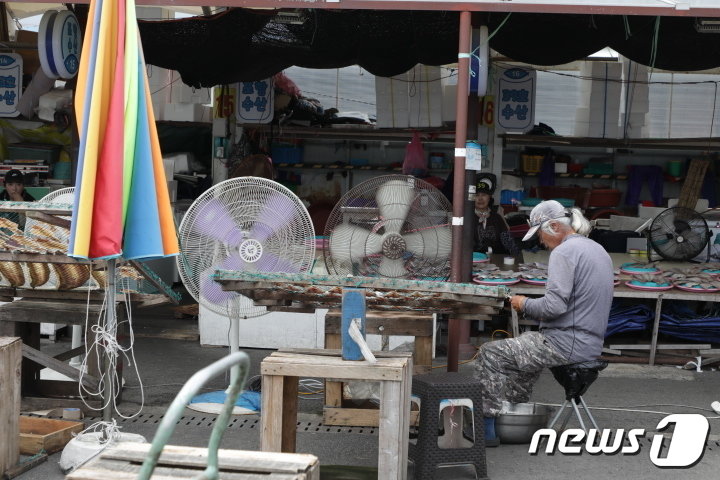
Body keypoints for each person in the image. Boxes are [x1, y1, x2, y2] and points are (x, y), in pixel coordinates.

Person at [474, 199, 613, 445]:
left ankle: (485, 431)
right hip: (589, 342)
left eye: (539, 234)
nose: (540, 241)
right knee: (526, 345)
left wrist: (522, 302)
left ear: (554, 227)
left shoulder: (564, 251)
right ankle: (514, 414)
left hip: (566, 343)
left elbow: (553, 307)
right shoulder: (596, 249)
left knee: (490, 353)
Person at [473, 173, 519, 256]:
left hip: (496, 260)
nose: (480, 199)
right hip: (473, 260)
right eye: (477, 195)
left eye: (484, 195)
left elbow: (509, 242)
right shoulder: (468, 217)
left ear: (489, 197)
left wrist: (515, 257)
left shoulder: (497, 218)